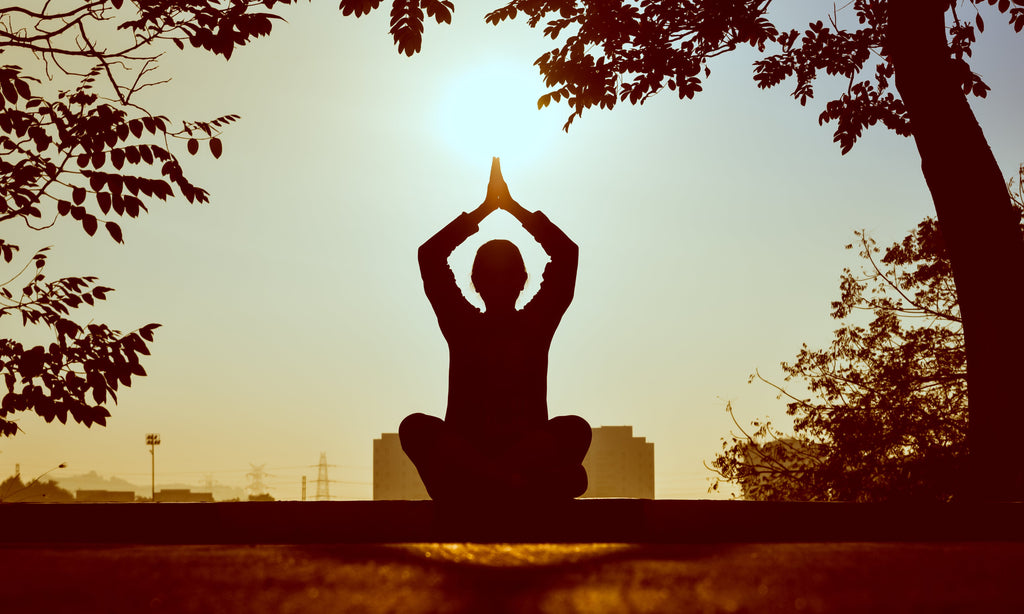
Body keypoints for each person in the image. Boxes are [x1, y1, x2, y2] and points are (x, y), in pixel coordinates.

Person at [400, 158, 592, 501]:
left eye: (506, 275)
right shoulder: (464, 325)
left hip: (509, 460)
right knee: (414, 428)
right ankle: (507, 482)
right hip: (472, 457)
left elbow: (567, 254)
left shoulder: (532, 325)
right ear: (476, 282)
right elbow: (429, 256)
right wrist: (491, 209)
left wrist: (507, 208)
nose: (500, 283)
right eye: (493, 275)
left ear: (521, 281)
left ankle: (495, 481)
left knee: (576, 429)